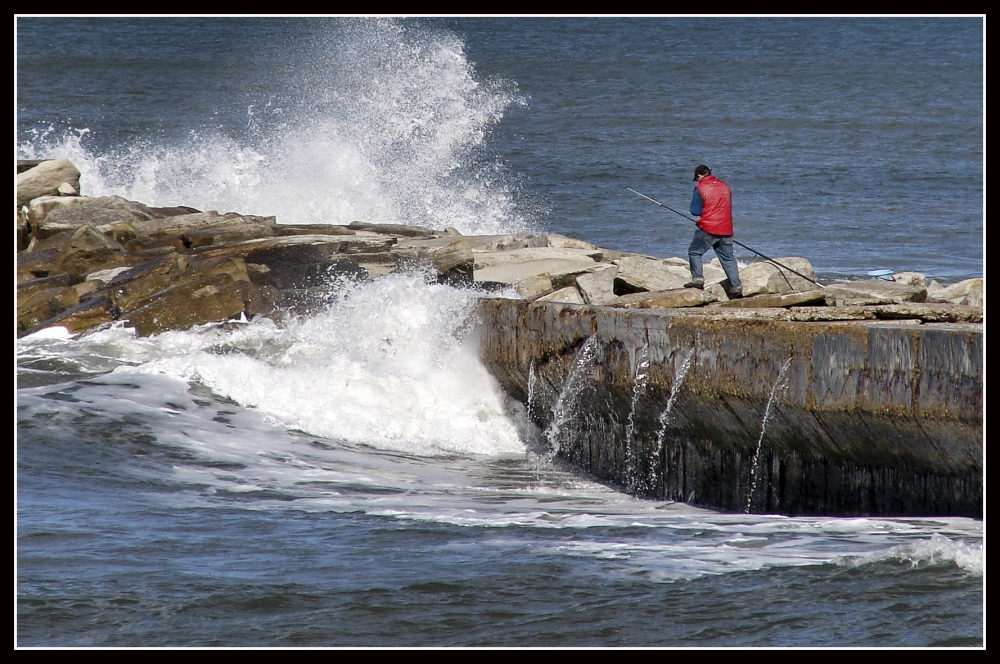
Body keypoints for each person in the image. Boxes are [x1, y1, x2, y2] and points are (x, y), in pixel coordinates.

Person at [685, 165, 743, 298]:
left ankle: (697, 280)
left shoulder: (700, 188)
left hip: (709, 227)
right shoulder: (725, 186)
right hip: (726, 228)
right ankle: (736, 287)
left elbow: (695, 211)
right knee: (728, 258)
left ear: (699, 176)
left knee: (694, 252)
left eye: (697, 178)